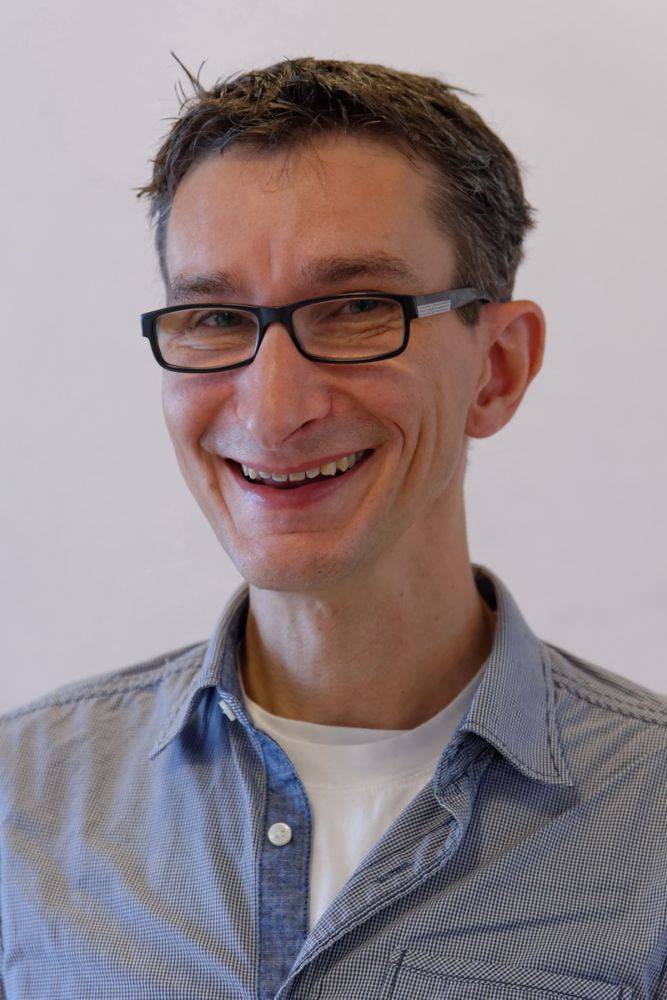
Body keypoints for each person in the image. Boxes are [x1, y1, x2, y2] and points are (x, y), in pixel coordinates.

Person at [1, 56, 665, 1000]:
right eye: (214, 317)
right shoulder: (21, 800)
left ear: (497, 370)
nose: (274, 410)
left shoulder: (651, 819)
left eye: (357, 309)